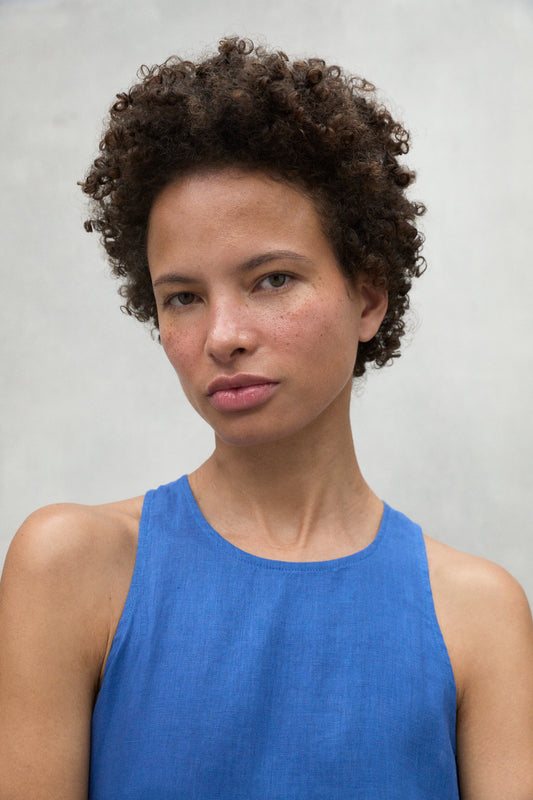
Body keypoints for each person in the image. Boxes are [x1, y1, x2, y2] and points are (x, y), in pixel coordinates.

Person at [0, 36, 532, 800]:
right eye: (183, 297)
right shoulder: (71, 569)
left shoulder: (478, 615)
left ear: (368, 298)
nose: (223, 336)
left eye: (271, 280)